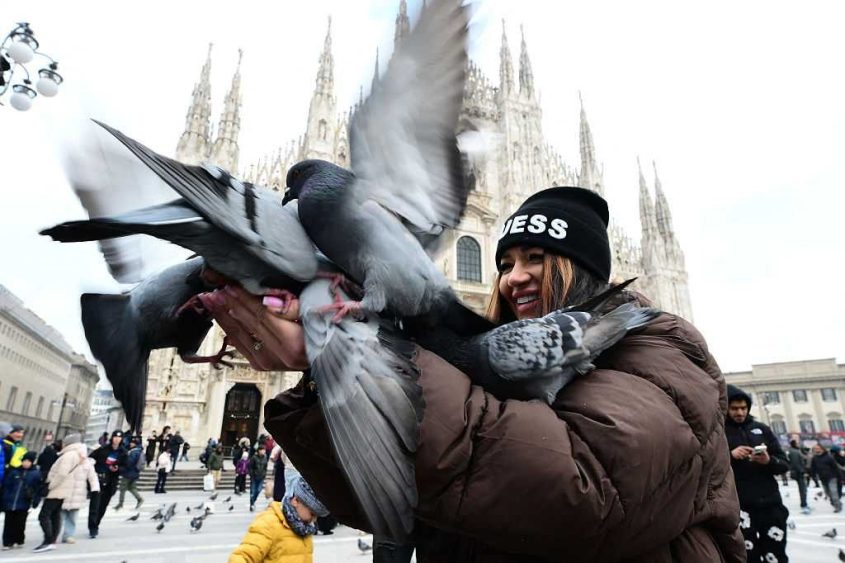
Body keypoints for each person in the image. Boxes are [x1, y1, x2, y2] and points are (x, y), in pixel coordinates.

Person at [210, 186, 744, 562]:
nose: (515, 277)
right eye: (504, 263)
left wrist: (379, 364)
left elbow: (583, 493)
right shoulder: (484, 352)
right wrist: (334, 370)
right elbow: (383, 503)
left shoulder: (658, 347)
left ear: (583, 272)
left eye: (537, 258)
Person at [725, 385, 790, 563]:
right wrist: (730, 455)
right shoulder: (719, 431)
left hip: (770, 504)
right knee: (747, 556)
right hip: (740, 506)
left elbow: (784, 464)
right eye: (734, 408)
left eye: (743, 408)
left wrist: (769, 460)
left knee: (775, 554)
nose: (739, 412)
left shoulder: (762, 429)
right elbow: (709, 465)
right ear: (726, 408)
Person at [228, 475, 328, 563]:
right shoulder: (268, 523)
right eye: (312, 514)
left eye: (316, 516)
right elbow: (243, 557)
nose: (314, 520)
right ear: (296, 501)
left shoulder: (304, 528)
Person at [35, 433, 87, 553]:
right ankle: (52, 540)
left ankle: (48, 541)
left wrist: (51, 485)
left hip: (58, 489)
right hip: (65, 488)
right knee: (55, 514)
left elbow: (62, 473)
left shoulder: (69, 455)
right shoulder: (77, 454)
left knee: (44, 515)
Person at [2, 451, 41, 550]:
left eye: (28, 461)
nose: (26, 463)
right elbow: (7, 486)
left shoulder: (35, 474)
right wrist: (4, 498)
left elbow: (38, 489)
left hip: (24, 502)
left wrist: (36, 501)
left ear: (32, 462)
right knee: (8, 523)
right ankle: (7, 542)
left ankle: (19, 540)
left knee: (20, 523)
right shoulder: (14, 472)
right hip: (10, 502)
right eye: (24, 461)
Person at [59, 448, 99, 545]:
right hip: (65, 492)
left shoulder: (87, 464)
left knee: (73, 517)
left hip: (78, 494)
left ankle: (68, 535)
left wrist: (95, 488)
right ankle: (54, 534)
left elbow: (93, 477)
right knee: (59, 516)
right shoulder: (67, 461)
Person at [89, 430, 126, 532]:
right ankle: (92, 527)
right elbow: (91, 458)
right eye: (115, 437)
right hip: (99, 480)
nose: (117, 439)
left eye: (119, 437)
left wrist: (117, 469)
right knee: (94, 505)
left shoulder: (123, 452)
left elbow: (126, 467)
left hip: (111, 482)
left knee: (103, 506)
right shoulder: (103, 449)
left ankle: (96, 524)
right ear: (112, 438)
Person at [114, 437, 144, 510]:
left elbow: (129, 463)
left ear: (135, 444)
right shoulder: (139, 451)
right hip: (134, 473)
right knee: (132, 488)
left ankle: (120, 504)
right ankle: (140, 499)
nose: (131, 444)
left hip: (128, 473)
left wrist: (121, 466)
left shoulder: (133, 452)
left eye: (133, 443)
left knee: (122, 488)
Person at [810, 444, 842, 512]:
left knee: (833, 492)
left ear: (822, 449)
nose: (816, 450)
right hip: (823, 478)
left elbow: (836, 468)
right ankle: (836, 503)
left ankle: (837, 506)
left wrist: (840, 478)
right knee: (828, 493)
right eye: (815, 448)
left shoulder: (829, 457)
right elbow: (813, 469)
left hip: (832, 477)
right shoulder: (814, 458)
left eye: (818, 448)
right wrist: (813, 476)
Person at [787, 439, 810, 514]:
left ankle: (804, 503)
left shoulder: (795, 451)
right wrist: (802, 471)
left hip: (797, 472)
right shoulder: (794, 452)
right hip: (798, 473)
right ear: (794, 444)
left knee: (803, 489)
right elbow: (796, 463)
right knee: (803, 489)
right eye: (797, 443)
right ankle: (804, 504)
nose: (799, 444)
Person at [248, 445, 268, 512]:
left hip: (261, 477)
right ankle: (252, 504)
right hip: (254, 477)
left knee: (259, 490)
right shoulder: (254, 458)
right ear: (259, 451)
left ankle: (253, 501)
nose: (263, 451)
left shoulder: (265, 457)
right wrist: (251, 475)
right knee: (253, 491)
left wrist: (264, 474)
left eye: (264, 450)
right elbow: (250, 467)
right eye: (262, 450)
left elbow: (265, 467)